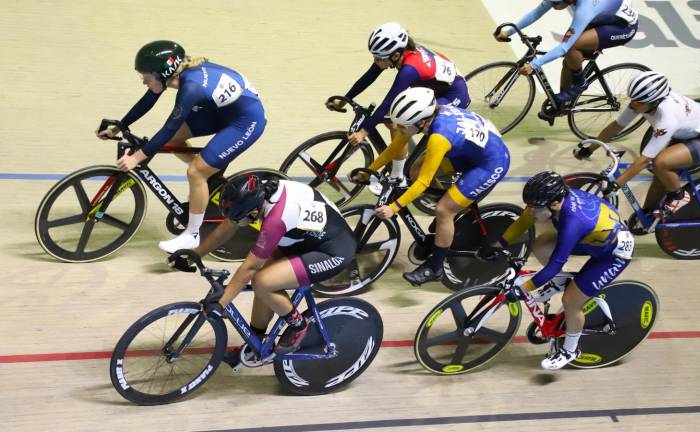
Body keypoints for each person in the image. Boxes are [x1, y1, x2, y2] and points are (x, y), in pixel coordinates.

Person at [97, 40, 266, 253]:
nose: (143, 82)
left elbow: (168, 127)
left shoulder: (191, 88)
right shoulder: (177, 71)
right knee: (173, 144)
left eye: (145, 77)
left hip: (245, 120)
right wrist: (120, 126)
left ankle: (192, 235)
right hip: (220, 110)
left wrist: (135, 158)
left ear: (161, 74)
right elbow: (148, 100)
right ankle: (210, 176)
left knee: (195, 172)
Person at [170, 174, 357, 358]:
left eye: (241, 218)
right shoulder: (255, 194)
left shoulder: (275, 219)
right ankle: (255, 341)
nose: (237, 223)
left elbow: (250, 267)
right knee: (263, 279)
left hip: (333, 251)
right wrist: (194, 255)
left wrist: (222, 303)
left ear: (253, 210)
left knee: (263, 282)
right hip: (302, 238)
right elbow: (226, 228)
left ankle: (299, 324)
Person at [351, 87, 509, 286]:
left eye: (402, 126)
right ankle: (453, 212)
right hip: (469, 150)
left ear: (421, 122)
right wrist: (369, 170)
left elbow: (423, 183)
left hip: (490, 163)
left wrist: (394, 207)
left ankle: (434, 268)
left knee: (443, 210)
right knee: (415, 170)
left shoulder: (438, 138)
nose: (397, 129)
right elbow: (395, 147)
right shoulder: (426, 116)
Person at [497, 171, 634, 370]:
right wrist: (499, 246)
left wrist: (522, 290)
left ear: (555, 204)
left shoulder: (573, 221)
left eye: (535, 207)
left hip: (613, 254)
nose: (530, 211)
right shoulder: (553, 200)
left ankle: (570, 350)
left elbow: (554, 265)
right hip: (593, 238)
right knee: (541, 245)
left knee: (570, 301)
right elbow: (523, 222)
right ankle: (562, 282)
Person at [575, 71, 700, 220]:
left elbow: (644, 160)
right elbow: (617, 126)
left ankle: (679, 196)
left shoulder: (667, 119)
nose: (633, 105)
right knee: (660, 172)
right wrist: (590, 149)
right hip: (689, 131)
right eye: (632, 100)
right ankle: (647, 216)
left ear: (655, 102)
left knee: (660, 163)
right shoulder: (642, 102)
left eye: (638, 102)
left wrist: (616, 185)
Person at [329, 22, 470, 182]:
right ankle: (398, 168)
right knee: (393, 119)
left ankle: (401, 175)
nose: (375, 61)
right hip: (430, 86)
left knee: (407, 121)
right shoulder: (398, 53)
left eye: (378, 58)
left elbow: (387, 102)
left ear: (395, 55)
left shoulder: (408, 70)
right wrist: (346, 99)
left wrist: (363, 132)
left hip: (453, 95)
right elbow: (369, 77)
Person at [494, 0, 638, 107]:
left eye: (556, 3)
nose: (552, 5)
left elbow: (564, 47)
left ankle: (580, 84)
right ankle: (562, 102)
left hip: (622, 27)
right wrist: (509, 31)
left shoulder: (585, 9)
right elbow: (537, 12)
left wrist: (534, 64)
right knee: (569, 60)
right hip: (602, 17)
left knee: (572, 46)